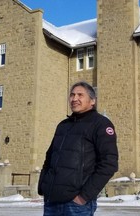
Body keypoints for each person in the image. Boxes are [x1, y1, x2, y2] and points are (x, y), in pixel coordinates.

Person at [38, 81, 119, 216]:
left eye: (80, 95)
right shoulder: (63, 126)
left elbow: (109, 163)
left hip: (76, 205)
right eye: (72, 95)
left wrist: (83, 197)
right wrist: (43, 187)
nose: (74, 98)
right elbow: (49, 158)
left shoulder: (101, 124)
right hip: (51, 203)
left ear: (92, 100)